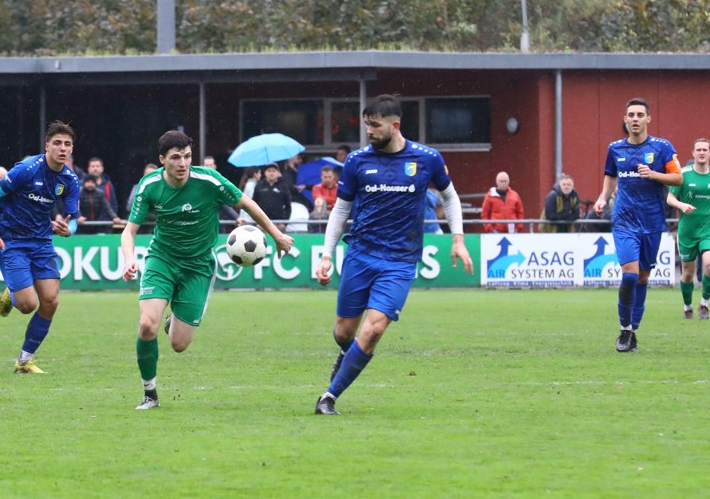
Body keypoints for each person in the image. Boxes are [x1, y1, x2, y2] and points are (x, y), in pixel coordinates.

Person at [314, 95, 473, 416]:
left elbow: (450, 197)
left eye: (374, 125)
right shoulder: (358, 161)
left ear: (395, 125)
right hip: (360, 254)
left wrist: (458, 239)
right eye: (366, 125)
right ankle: (346, 356)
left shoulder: (427, 158)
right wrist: (327, 255)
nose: (369, 131)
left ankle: (329, 397)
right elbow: (341, 209)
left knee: (372, 330)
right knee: (345, 331)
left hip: (400, 261)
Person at [121, 130, 293, 410]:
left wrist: (276, 235)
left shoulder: (209, 180)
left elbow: (246, 203)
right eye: (176, 157)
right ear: (162, 159)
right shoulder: (149, 185)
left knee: (178, 344)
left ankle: (173, 322)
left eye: (187, 156)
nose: (183, 163)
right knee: (146, 325)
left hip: (198, 267)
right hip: (161, 260)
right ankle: (149, 394)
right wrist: (129, 258)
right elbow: (129, 232)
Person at [0, 121, 81, 374]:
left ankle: (24, 360)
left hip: (41, 243)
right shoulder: (27, 169)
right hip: (12, 241)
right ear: (47, 145)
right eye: (57, 143)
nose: (63, 148)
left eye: (68, 144)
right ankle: (12, 291)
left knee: (50, 301)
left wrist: (67, 230)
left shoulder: (70, 180)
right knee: (27, 305)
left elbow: (74, 220)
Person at [593, 98, 682, 353]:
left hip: (652, 220)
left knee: (643, 277)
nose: (635, 118)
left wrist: (654, 175)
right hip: (624, 220)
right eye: (630, 114)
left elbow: (678, 177)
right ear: (625, 119)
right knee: (630, 275)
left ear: (647, 119)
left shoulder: (662, 147)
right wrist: (602, 197)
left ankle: (633, 329)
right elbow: (610, 175)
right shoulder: (615, 148)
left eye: (639, 114)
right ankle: (624, 330)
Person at [667, 139, 710, 319]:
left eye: (704, 150)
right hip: (687, 232)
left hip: (709, 229)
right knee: (688, 274)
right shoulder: (682, 174)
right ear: (692, 153)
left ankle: (704, 304)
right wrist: (682, 206)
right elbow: (670, 198)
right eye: (698, 149)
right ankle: (687, 306)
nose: (701, 152)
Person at [252, 163, 292, 229]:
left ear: (278, 173)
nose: (271, 173)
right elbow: (253, 204)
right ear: (265, 173)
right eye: (269, 171)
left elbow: (288, 206)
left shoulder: (283, 186)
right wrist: (256, 221)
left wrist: (285, 223)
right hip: (262, 222)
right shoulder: (259, 186)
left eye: (274, 171)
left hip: (279, 223)